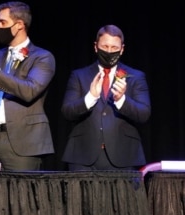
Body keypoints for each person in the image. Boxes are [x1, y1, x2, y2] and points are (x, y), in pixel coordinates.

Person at [0, 1, 56, 171]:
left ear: (19, 25)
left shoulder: (42, 57)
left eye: (3, 23)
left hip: (24, 139)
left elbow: (29, 90)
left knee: (21, 194)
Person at [61, 24, 151, 171]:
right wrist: (91, 97)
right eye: (105, 46)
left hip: (123, 156)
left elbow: (144, 114)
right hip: (83, 157)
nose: (109, 51)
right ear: (96, 47)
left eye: (114, 48)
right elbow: (67, 111)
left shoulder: (136, 77)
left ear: (122, 49)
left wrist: (121, 100)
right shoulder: (79, 75)